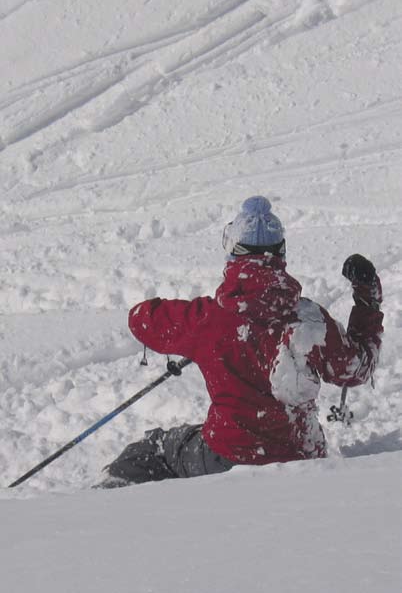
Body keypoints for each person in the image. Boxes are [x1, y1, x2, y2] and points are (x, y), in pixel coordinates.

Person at [99, 196, 383, 487]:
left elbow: (141, 319)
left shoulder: (207, 318)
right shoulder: (312, 321)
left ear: (233, 252)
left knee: (154, 448)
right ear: (280, 254)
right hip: (301, 458)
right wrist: (367, 301)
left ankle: (103, 508)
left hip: (226, 457)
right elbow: (357, 368)